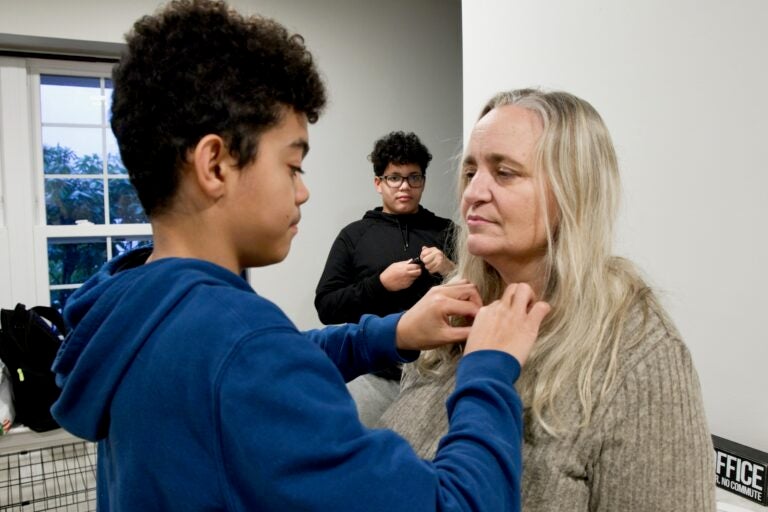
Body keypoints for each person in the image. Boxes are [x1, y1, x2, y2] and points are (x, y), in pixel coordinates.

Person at [48, 2, 551, 511]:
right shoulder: (239, 346)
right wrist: (489, 368)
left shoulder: (143, 309)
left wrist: (393, 333)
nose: (303, 191)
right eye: (292, 165)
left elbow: (282, 355)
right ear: (215, 165)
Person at [379, 88, 716, 511]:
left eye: (504, 173)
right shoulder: (448, 311)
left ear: (572, 189)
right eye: (470, 173)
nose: (473, 193)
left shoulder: (637, 353)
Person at [315, 131, 456, 424]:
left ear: (423, 181)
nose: (404, 186)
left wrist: (449, 269)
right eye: (394, 177)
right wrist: (380, 284)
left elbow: (480, 293)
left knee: (429, 460)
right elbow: (327, 307)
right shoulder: (354, 235)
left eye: (413, 177)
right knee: (357, 457)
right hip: (373, 376)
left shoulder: (448, 232)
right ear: (378, 183)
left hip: (437, 376)